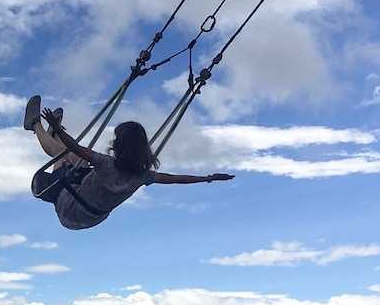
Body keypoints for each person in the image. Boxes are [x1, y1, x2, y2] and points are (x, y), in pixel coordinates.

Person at [24, 94, 234, 230]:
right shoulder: (142, 176)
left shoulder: (105, 163)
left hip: (69, 210)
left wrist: (58, 127)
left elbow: (75, 147)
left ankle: (35, 126)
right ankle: (54, 134)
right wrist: (207, 178)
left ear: (120, 145)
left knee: (62, 153)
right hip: (91, 217)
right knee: (75, 158)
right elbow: (175, 179)